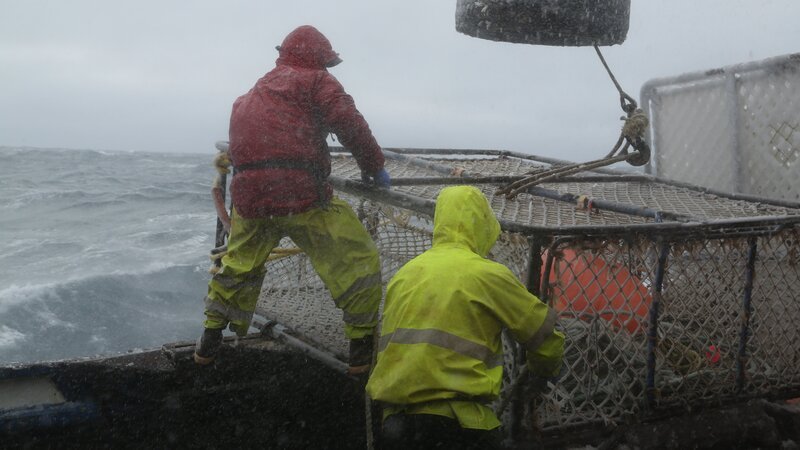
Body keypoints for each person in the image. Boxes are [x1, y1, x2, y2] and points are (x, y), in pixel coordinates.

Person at [194, 25, 391, 375]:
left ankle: (209, 340)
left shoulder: (251, 94)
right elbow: (349, 123)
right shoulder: (316, 81)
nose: (328, 69)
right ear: (320, 59)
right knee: (356, 258)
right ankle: (361, 348)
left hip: (251, 201)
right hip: (299, 195)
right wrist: (374, 166)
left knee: (237, 264)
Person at [365, 186, 564, 450]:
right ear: (483, 224)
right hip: (459, 427)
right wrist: (542, 376)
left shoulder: (406, 274)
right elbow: (544, 338)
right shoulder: (488, 275)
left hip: (395, 425)